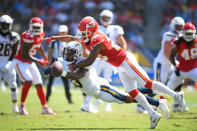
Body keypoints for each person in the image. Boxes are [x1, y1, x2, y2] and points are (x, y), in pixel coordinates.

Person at [45, 16, 186, 129]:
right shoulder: (89, 36)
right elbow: (71, 38)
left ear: (91, 30)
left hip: (125, 60)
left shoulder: (97, 39)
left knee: (147, 83)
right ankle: (153, 114)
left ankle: (176, 95)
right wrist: (54, 38)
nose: (82, 33)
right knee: (133, 92)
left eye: (84, 31)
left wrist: (74, 64)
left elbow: (89, 61)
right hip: (119, 65)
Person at [44, 41, 170, 124]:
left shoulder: (84, 62)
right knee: (127, 95)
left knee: (127, 98)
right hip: (95, 91)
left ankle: (158, 101)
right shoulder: (63, 61)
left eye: (71, 53)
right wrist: (50, 69)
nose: (67, 54)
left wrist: (62, 73)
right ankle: (156, 95)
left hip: (100, 88)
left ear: (77, 54)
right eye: (67, 52)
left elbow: (77, 75)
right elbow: (57, 64)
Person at [137, 17, 185, 113]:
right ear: (172, 25)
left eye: (181, 27)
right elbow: (167, 52)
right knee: (156, 89)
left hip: (170, 64)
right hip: (162, 64)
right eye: (177, 26)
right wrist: (176, 64)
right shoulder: (168, 34)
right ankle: (140, 103)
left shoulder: (180, 35)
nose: (179, 28)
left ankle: (176, 104)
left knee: (179, 79)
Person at [85, 9, 128, 112]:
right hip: (98, 57)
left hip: (110, 58)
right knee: (92, 79)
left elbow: (123, 43)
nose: (105, 20)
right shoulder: (96, 28)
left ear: (111, 19)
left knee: (108, 81)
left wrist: (122, 56)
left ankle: (107, 105)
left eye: (107, 18)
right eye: (104, 18)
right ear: (100, 18)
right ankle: (87, 104)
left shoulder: (115, 29)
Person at [13, 17, 55, 115]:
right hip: (20, 61)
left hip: (29, 61)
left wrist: (44, 57)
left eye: (38, 27)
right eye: (34, 27)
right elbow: (24, 54)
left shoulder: (41, 34)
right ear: (30, 27)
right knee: (28, 81)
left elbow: (38, 45)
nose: (36, 29)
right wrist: (38, 60)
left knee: (39, 84)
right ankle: (21, 106)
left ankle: (45, 108)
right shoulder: (26, 36)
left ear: (41, 27)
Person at [167, 22, 197, 110]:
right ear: (183, 33)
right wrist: (175, 66)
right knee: (168, 88)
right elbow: (171, 55)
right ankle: (158, 105)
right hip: (181, 70)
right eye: (187, 33)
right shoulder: (179, 42)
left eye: (190, 34)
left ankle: (177, 105)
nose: (188, 36)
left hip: (194, 69)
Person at [46, 25, 73, 104]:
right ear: (59, 32)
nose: (63, 33)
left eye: (64, 32)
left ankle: (69, 99)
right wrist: (49, 63)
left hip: (64, 63)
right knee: (50, 82)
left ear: (67, 32)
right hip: (54, 62)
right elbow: (50, 52)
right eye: (61, 32)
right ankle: (46, 99)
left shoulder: (69, 42)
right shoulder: (54, 41)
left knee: (66, 83)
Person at [0, 15, 19, 113]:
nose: (4, 27)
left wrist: (9, 63)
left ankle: (15, 106)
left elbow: (14, 52)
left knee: (13, 85)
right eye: (2, 24)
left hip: (8, 63)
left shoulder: (14, 36)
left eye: (6, 25)